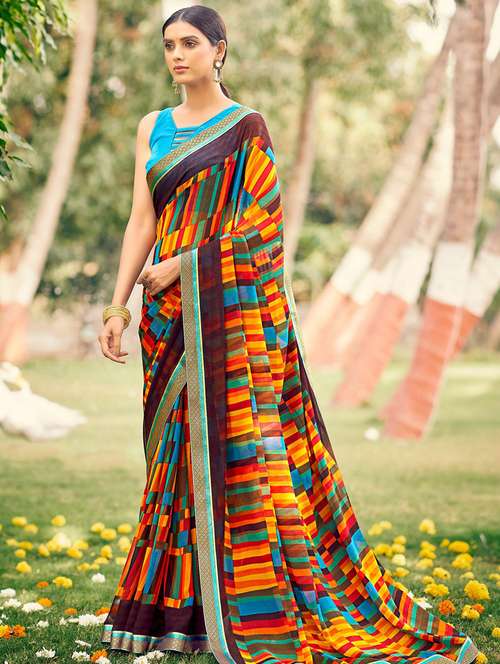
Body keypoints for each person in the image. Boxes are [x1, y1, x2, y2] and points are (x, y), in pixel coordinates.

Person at [97, 5, 480, 663]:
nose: (177, 55)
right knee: (174, 461)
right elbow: (141, 219)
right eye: (169, 45)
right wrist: (117, 304)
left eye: (190, 43)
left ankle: (235, 601)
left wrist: (185, 265)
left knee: (233, 454)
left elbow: (262, 226)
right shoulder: (151, 128)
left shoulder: (246, 127)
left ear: (219, 50)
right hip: (165, 316)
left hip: (221, 313)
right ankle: (171, 609)